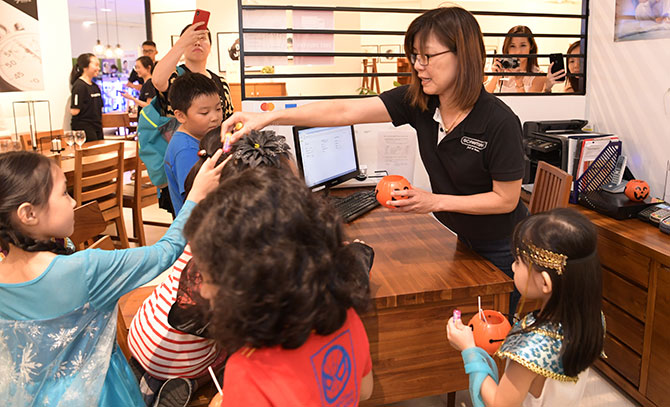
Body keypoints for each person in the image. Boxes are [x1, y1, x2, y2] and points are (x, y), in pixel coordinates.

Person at [222, 6, 528, 317]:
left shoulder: (498, 121)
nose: (419, 66)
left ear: (463, 55)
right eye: (415, 56)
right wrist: (272, 116)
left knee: (499, 327)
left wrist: (432, 201)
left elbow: (505, 200)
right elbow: (344, 113)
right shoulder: (420, 102)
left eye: (427, 57)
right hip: (464, 238)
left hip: (505, 244)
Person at [0, 149, 225, 406]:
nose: (73, 202)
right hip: (98, 393)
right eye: (64, 193)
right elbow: (166, 251)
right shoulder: (84, 270)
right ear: (28, 214)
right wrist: (195, 196)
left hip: (26, 395)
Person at [127, 129, 297, 407]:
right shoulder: (247, 253)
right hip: (186, 359)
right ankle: (191, 383)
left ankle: (148, 379)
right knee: (240, 350)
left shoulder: (201, 220)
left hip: (143, 333)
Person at [184, 166, 374, 407]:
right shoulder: (347, 317)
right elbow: (365, 390)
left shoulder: (249, 370)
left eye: (210, 280)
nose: (204, 291)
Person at [446, 208, 605, 407]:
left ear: (545, 283)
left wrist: (468, 349)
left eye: (519, 261)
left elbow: (499, 403)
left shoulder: (531, 348)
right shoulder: (592, 318)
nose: (513, 267)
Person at [164, 72, 223, 215]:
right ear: (180, 116)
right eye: (204, 113)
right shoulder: (186, 150)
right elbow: (197, 200)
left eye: (218, 109)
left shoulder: (200, 138)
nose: (215, 118)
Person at [152, 23, 234, 121]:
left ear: (210, 46)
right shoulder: (174, 77)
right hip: (179, 136)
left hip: (215, 136)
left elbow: (228, 120)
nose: (197, 43)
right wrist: (181, 43)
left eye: (202, 38)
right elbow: (157, 81)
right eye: (192, 39)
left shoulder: (221, 82)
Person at [485, 26, 544, 94]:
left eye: (523, 45)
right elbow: (484, 98)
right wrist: (495, 78)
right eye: (512, 46)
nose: (518, 51)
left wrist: (519, 83)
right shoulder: (503, 71)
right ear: (507, 48)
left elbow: (528, 103)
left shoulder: (539, 76)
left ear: (531, 46)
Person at [69, 53, 104, 142]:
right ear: (85, 67)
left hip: (97, 127)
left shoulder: (95, 86)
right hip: (85, 129)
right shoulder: (79, 86)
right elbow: (74, 111)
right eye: (96, 65)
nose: (98, 68)